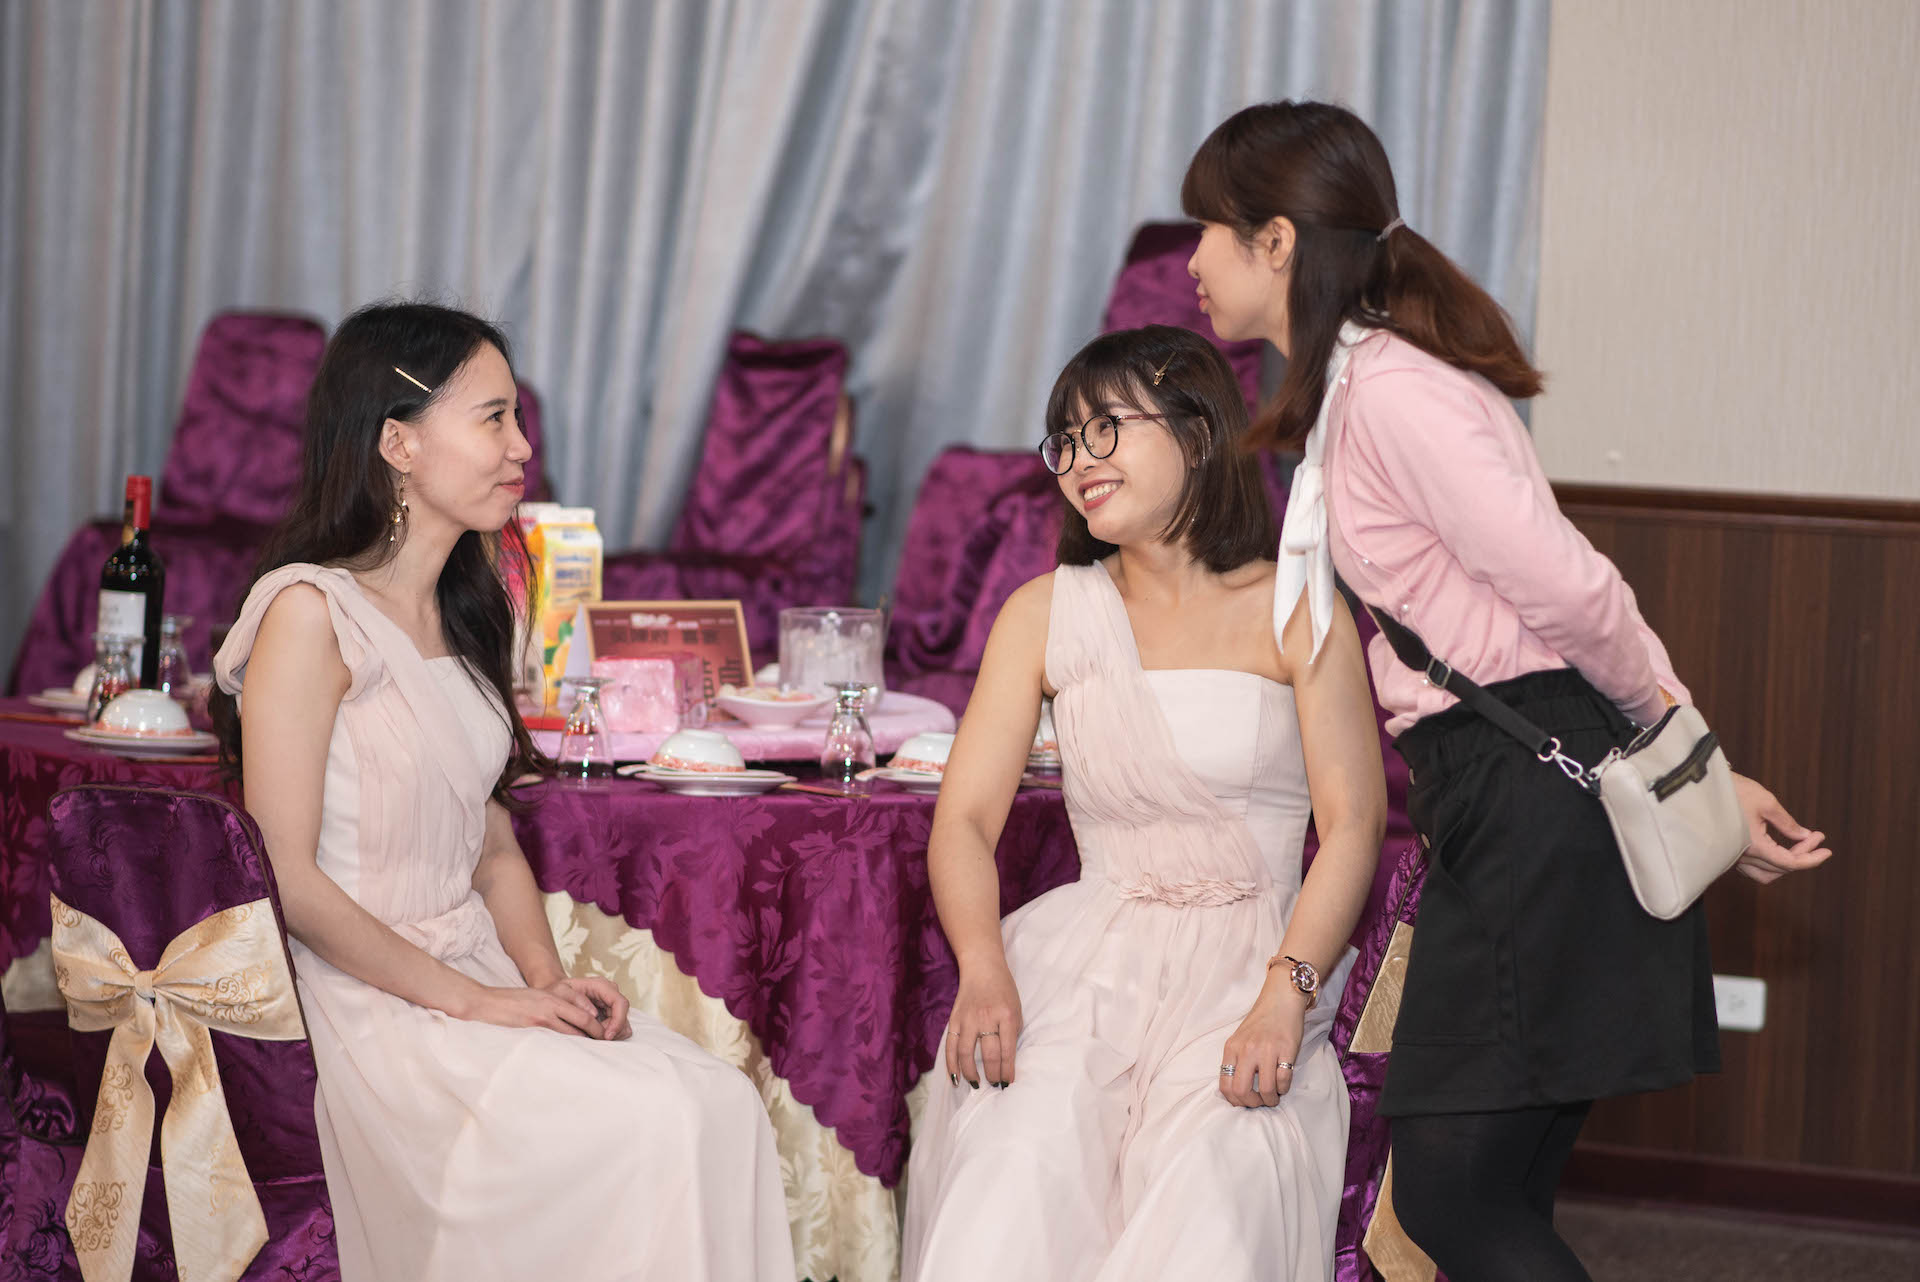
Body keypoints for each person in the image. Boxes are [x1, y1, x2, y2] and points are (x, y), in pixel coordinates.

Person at [1180, 100, 1833, 1281]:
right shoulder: (1357, 389)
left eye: (1209, 231)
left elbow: (1572, 590)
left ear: (1277, 242)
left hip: (1533, 795)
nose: (1191, 262)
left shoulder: (1394, 391)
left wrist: (1685, 755)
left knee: (1449, 1192)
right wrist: (1687, 761)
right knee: (1493, 1192)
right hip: (1510, 787)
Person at [210, 302, 794, 1282]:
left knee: (720, 1103)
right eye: (494, 418)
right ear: (398, 442)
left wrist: (541, 981)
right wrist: (475, 1002)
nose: (522, 447)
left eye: (516, 418)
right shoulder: (309, 613)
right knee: (652, 1120)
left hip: (476, 974)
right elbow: (288, 880)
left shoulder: (466, 612)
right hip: (370, 1001)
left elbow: (492, 850)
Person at [901, 324, 1386, 1282]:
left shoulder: (1298, 605)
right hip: (1086, 961)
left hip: (1252, 964)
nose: (1081, 460)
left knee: (1210, 1195)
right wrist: (984, 969)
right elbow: (962, 822)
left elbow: (1354, 826)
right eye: (1065, 441)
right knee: (1015, 1169)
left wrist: (1284, 997)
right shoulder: (1044, 612)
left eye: (1107, 429)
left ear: (1199, 433)